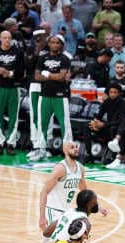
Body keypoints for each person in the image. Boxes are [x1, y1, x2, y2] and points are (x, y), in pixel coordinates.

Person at [31, 34, 71, 162]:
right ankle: (41, 150)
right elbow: (37, 76)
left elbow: (62, 77)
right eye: (52, 42)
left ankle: (68, 153)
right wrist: (53, 75)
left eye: (57, 42)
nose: (54, 44)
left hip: (60, 96)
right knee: (42, 124)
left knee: (65, 125)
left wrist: (47, 74)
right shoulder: (42, 58)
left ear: (61, 45)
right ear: (48, 44)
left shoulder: (64, 59)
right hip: (44, 95)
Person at [0, 30, 25, 155]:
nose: (7, 40)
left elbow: (21, 73)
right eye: (5, 38)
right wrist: (0, 73)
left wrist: (8, 73)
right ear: (0, 39)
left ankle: (11, 144)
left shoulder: (18, 53)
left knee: (13, 117)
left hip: (14, 88)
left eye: (9, 38)